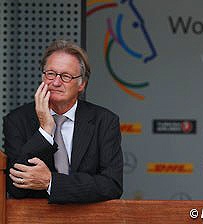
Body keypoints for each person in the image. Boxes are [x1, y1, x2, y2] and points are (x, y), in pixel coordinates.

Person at [3, 39, 123, 204]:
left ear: (82, 84)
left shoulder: (104, 121)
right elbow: (15, 186)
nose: (56, 82)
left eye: (66, 76)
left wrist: (50, 182)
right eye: (50, 74)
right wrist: (45, 130)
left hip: (88, 218)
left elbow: (111, 185)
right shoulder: (17, 120)